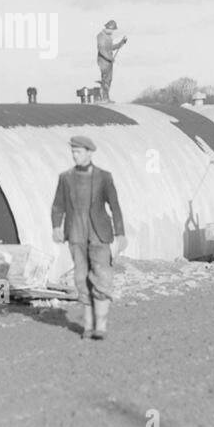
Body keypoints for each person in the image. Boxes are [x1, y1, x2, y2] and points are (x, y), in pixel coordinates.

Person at [51, 135, 125, 340]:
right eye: (73, 152)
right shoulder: (65, 178)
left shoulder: (104, 177)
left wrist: (120, 233)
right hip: (76, 234)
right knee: (81, 278)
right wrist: (56, 226)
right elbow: (57, 205)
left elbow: (115, 206)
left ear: (90, 153)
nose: (75, 156)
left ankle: (100, 326)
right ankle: (88, 326)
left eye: (79, 152)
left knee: (102, 276)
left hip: (99, 234)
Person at [96, 20, 128, 101]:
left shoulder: (108, 37)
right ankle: (103, 97)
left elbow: (111, 47)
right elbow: (102, 50)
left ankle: (105, 97)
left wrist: (121, 43)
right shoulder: (101, 36)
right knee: (105, 79)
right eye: (112, 30)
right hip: (103, 61)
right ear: (108, 28)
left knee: (109, 79)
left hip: (109, 61)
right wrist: (110, 58)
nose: (113, 32)